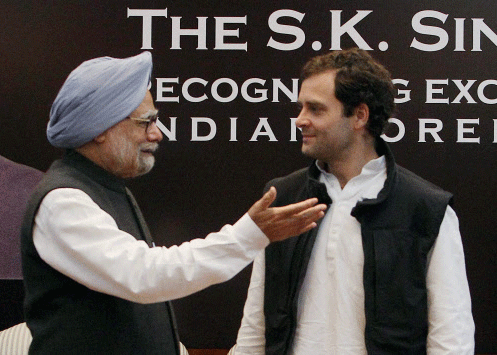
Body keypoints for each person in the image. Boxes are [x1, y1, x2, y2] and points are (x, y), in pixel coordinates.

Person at [20, 52, 327, 355]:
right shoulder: (63, 202)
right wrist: (247, 236)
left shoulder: (107, 188)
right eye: (146, 121)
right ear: (101, 128)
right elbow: (144, 276)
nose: (157, 133)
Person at [235, 48, 474, 354]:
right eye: (300, 107)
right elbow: (256, 323)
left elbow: (451, 334)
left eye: (316, 109)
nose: (300, 120)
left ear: (360, 115)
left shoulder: (426, 209)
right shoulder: (282, 198)